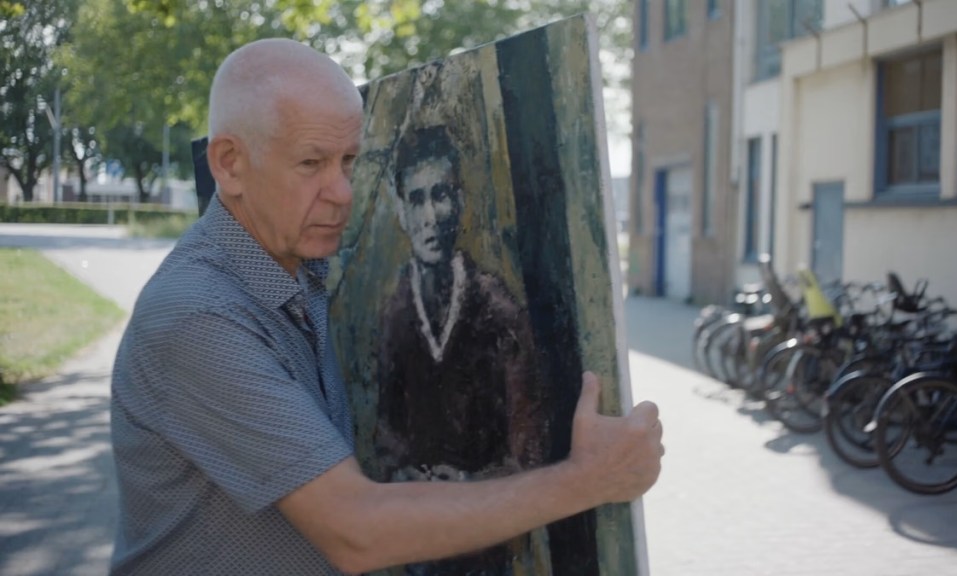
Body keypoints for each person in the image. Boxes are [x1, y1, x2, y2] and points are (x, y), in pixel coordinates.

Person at [109, 37, 663, 576]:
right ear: (229, 164)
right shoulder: (197, 316)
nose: (343, 192)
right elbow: (355, 530)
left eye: (348, 161)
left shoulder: (306, 273)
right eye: (311, 163)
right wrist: (591, 479)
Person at [376, 126, 549, 574]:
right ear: (401, 211)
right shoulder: (395, 315)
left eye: (440, 195)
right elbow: (388, 433)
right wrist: (403, 476)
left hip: (486, 542)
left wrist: (472, 483)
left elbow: (529, 445)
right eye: (416, 199)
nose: (430, 216)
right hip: (418, 543)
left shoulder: (497, 309)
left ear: (460, 202)